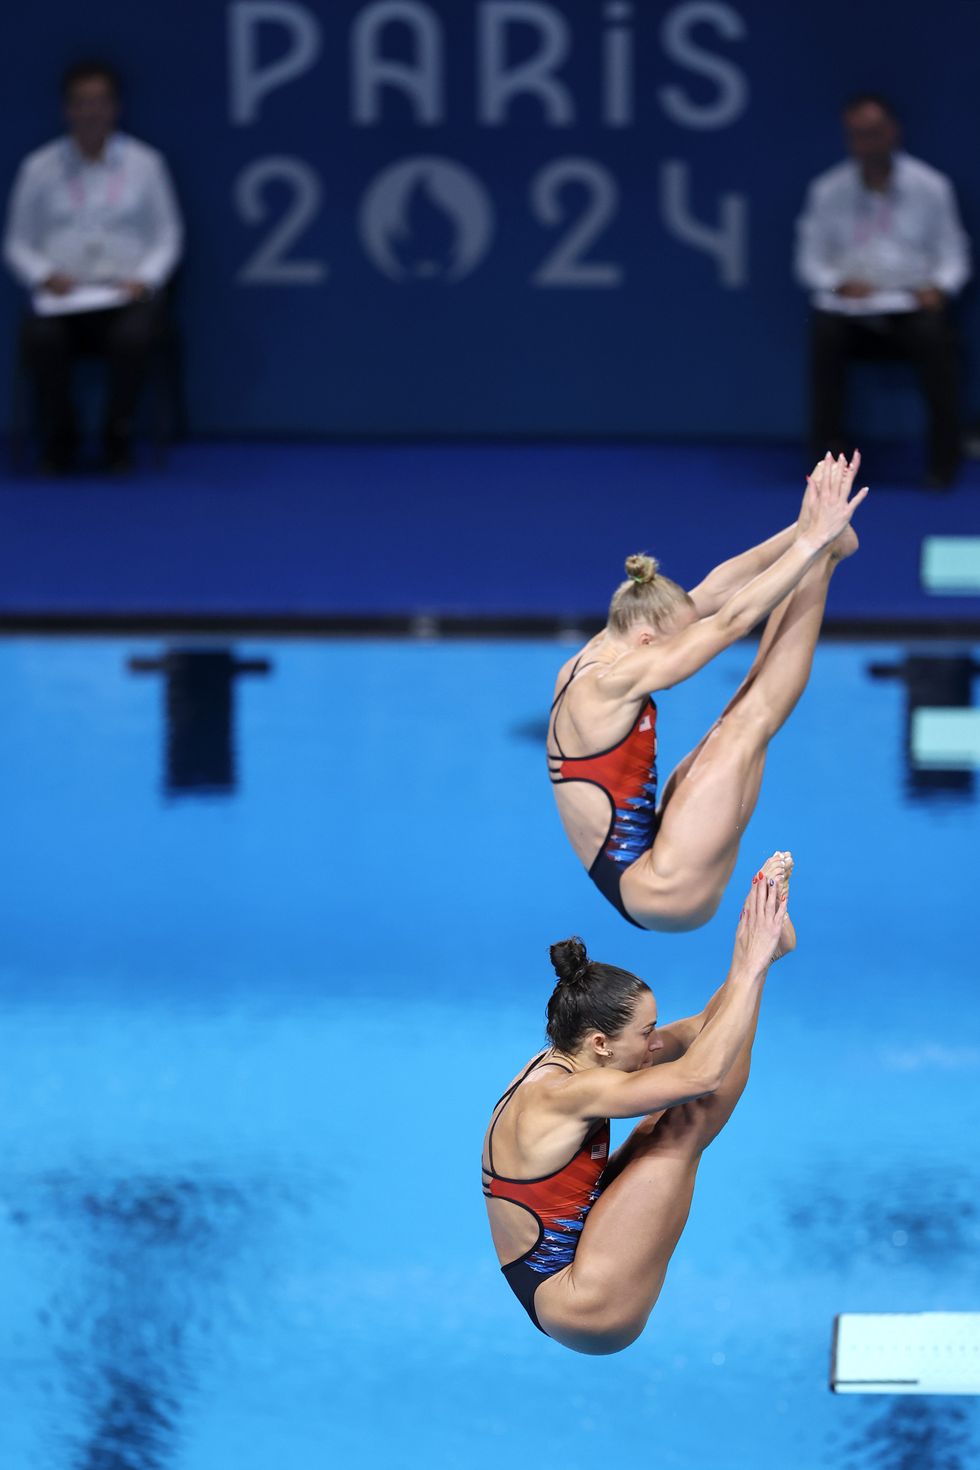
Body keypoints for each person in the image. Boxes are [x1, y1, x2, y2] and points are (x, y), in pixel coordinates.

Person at [482, 853, 792, 1354]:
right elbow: (703, 1074)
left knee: (660, 1122)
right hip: (583, 1304)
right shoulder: (568, 1093)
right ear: (601, 1043)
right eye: (646, 1033)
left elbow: (700, 1030)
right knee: (684, 1123)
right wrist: (751, 965)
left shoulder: (569, 1058)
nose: (655, 1042)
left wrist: (754, 954)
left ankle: (765, 955)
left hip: (563, 1270)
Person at [547, 452, 866, 932]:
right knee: (749, 722)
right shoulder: (609, 683)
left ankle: (824, 552)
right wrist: (812, 542)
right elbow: (732, 621)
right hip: (663, 890)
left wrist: (802, 529)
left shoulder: (606, 645)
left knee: (734, 717)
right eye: (676, 643)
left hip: (644, 859)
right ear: (648, 642)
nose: (685, 646)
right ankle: (825, 558)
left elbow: (716, 593)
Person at [3, 61, 183, 473]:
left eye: (100, 102)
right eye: (82, 102)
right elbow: (16, 241)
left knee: (134, 336)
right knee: (41, 338)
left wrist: (145, 280)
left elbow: (169, 235)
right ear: (67, 109)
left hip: (125, 296)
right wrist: (44, 276)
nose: (91, 112)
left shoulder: (146, 164)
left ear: (115, 108)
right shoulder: (37, 167)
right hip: (62, 298)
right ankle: (60, 435)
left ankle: (117, 435)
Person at [795, 93, 970, 490]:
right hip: (849, 312)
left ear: (893, 132)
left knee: (936, 336)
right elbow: (809, 263)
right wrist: (837, 283)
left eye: (874, 132)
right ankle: (826, 470)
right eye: (858, 135)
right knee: (824, 333)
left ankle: (943, 462)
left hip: (912, 308)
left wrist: (939, 288)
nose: (867, 143)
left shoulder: (931, 186)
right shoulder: (827, 190)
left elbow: (954, 255)